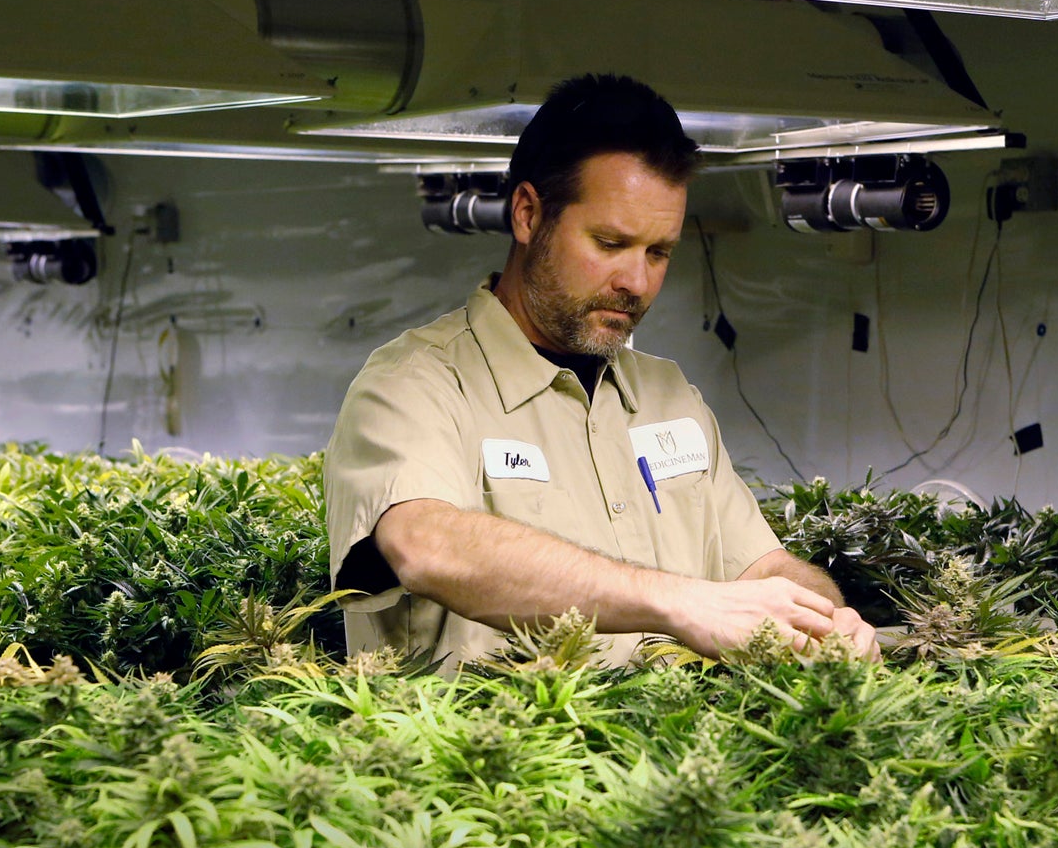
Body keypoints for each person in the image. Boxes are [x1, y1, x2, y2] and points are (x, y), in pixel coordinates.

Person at [322, 73, 880, 669]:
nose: (636, 282)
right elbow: (428, 546)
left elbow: (758, 567)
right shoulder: (414, 384)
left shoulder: (669, 397)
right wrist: (679, 602)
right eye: (610, 243)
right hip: (495, 757)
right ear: (528, 215)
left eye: (658, 252)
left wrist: (827, 618)